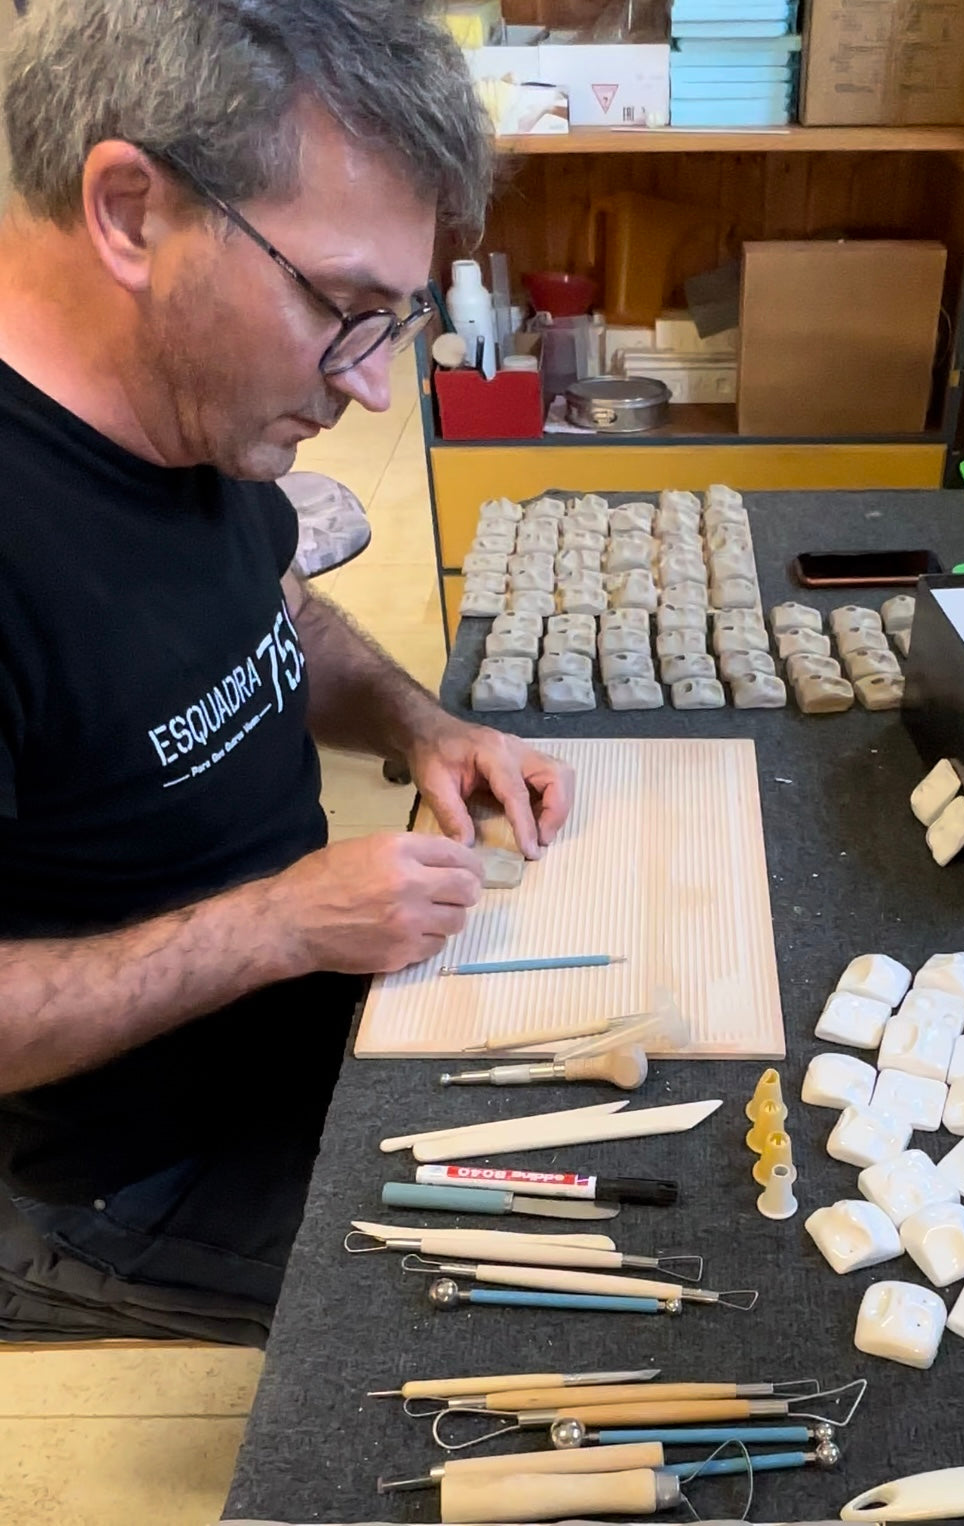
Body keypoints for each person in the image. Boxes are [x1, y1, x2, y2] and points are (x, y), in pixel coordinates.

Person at [0, 0, 573, 1343]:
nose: (370, 386)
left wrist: (418, 723)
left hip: (303, 1006)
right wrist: (280, 925)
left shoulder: (180, 401)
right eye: (343, 308)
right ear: (131, 213)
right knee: (546, 1311)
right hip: (134, 1174)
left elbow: (273, 607)